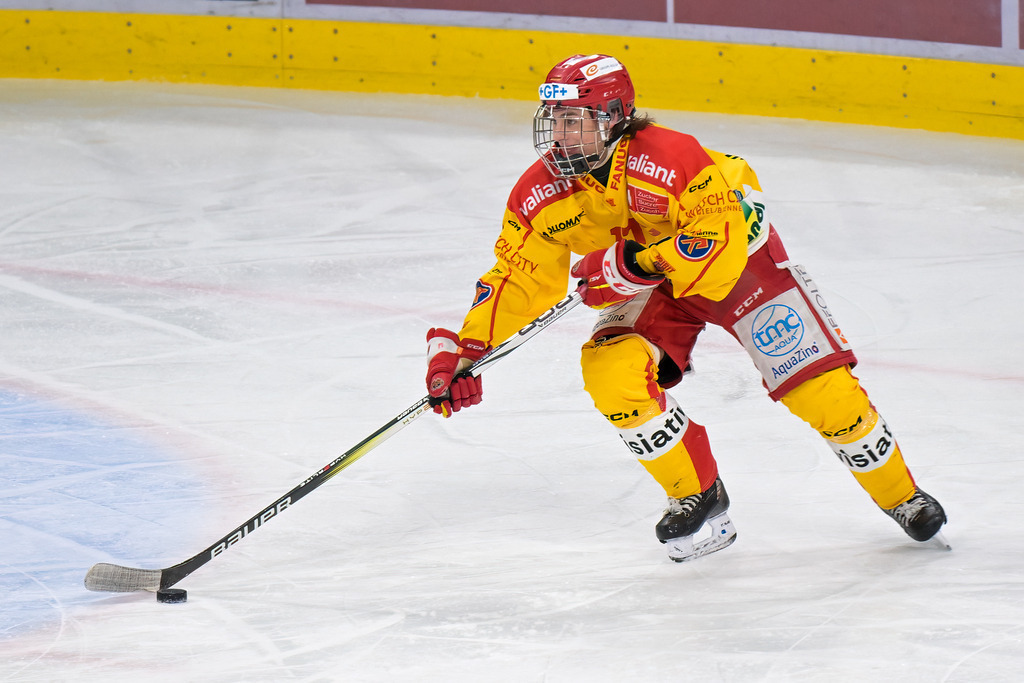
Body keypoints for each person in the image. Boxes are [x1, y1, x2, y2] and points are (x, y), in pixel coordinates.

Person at [424, 54, 947, 562]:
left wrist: (632, 264)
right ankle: (697, 491)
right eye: (554, 120)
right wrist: (468, 351)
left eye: (573, 120)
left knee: (822, 392)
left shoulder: (671, 156)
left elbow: (717, 244)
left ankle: (902, 496)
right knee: (610, 371)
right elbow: (516, 276)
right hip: (651, 278)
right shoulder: (540, 192)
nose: (558, 135)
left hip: (740, 265)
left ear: (612, 118)